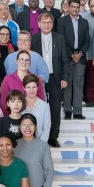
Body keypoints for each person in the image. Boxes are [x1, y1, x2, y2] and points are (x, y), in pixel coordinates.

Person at [31, 12, 70, 146]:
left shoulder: (60, 38)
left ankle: (53, 137)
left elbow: (65, 59)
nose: (46, 25)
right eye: (44, 22)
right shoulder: (33, 39)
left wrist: (65, 77)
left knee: (55, 109)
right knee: (37, 108)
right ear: (39, 24)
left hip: (55, 79)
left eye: (49, 22)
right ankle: (37, 135)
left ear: (52, 24)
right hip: (38, 80)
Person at [57, 0, 90, 120]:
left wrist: (80, 54)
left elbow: (87, 41)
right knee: (67, 85)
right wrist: (71, 54)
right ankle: (67, 111)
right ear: (69, 7)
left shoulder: (84, 22)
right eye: (73, 7)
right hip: (67, 57)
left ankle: (77, 112)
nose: (75, 9)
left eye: (77, 7)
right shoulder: (61, 21)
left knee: (78, 84)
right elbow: (61, 40)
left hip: (80, 57)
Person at [0, 51, 46, 116]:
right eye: (21, 59)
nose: (24, 62)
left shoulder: (36, 79)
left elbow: (41, 100)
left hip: (32, 117)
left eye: (27, 60)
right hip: (14, 117)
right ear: (16, 61)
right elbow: (4, 102)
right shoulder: (8, 79)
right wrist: (7, 119)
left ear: (30, 63)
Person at [21, 75, 51, 143]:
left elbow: (46, 128)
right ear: (24, 88)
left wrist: (39, 145)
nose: (31, 90)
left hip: (39, 144)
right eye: (28, 87)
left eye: (34, 87)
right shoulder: (19, 105)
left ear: (37, 87)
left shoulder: (44, 106)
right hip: (21, 145)